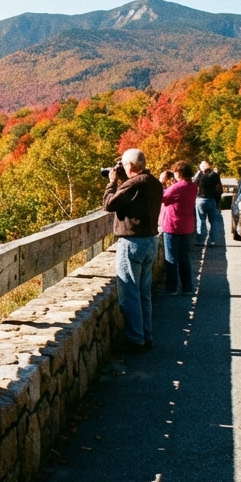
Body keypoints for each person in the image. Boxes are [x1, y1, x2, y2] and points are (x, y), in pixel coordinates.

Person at [104, 148, 163, 351]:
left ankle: (135, 339)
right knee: (143, 293)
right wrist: (123, 181)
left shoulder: (135, 183)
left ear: (129, 166)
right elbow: (134, 201)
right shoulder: (154, 183)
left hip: (132, 243)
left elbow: (109, 204)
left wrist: (112, 182)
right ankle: (146, 335)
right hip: (150, 241)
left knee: (129, 293)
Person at [161, 160, 198, 296]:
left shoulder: (177, 187)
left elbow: (163, 197)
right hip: (186, 226)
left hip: (172, 225)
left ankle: (172, 288)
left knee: (171, 258)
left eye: (176, 172)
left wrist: (162, 182)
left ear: (179, 173)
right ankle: (187, 287)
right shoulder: (193, 186)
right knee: (184, 258)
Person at [193, 161, 225, 246]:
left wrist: (199, 171)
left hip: (200, 199)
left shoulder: (200, 176)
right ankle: (213, 240)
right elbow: (219, 188)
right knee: (213, 221)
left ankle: (201, 240)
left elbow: (194, 183)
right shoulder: (214, 176)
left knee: (201, 220)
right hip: (211, 200)